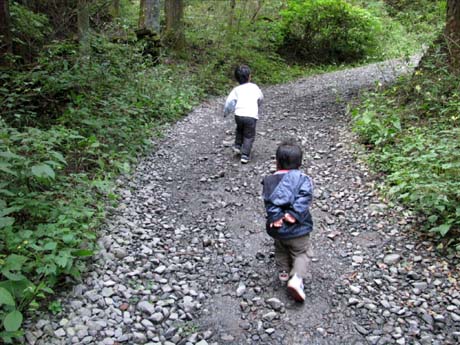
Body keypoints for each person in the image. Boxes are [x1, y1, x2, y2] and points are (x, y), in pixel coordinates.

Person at [262, 142, 314, 302]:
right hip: (298, 228)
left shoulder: (269, 180)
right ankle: (296, 279)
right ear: (300, 164)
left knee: (281, 248)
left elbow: (269, 202)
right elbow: (304, 197)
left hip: (277, 229)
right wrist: (293, 214)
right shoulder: (303, 179)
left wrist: (276, 217)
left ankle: (283, 273)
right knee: (301, 252)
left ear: (276, 162)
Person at [224, 64, 264, 164]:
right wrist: (257, 104)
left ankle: (237, 146)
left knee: (239, 129)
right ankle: (245, 155)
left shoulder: (236, 90)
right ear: (249, 76)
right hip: (251, 115)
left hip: (238, 114)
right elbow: (260, 98)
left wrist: (226, 112)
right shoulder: (254, 87)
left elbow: (229, 102)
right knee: (249, 135)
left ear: (236, 79)